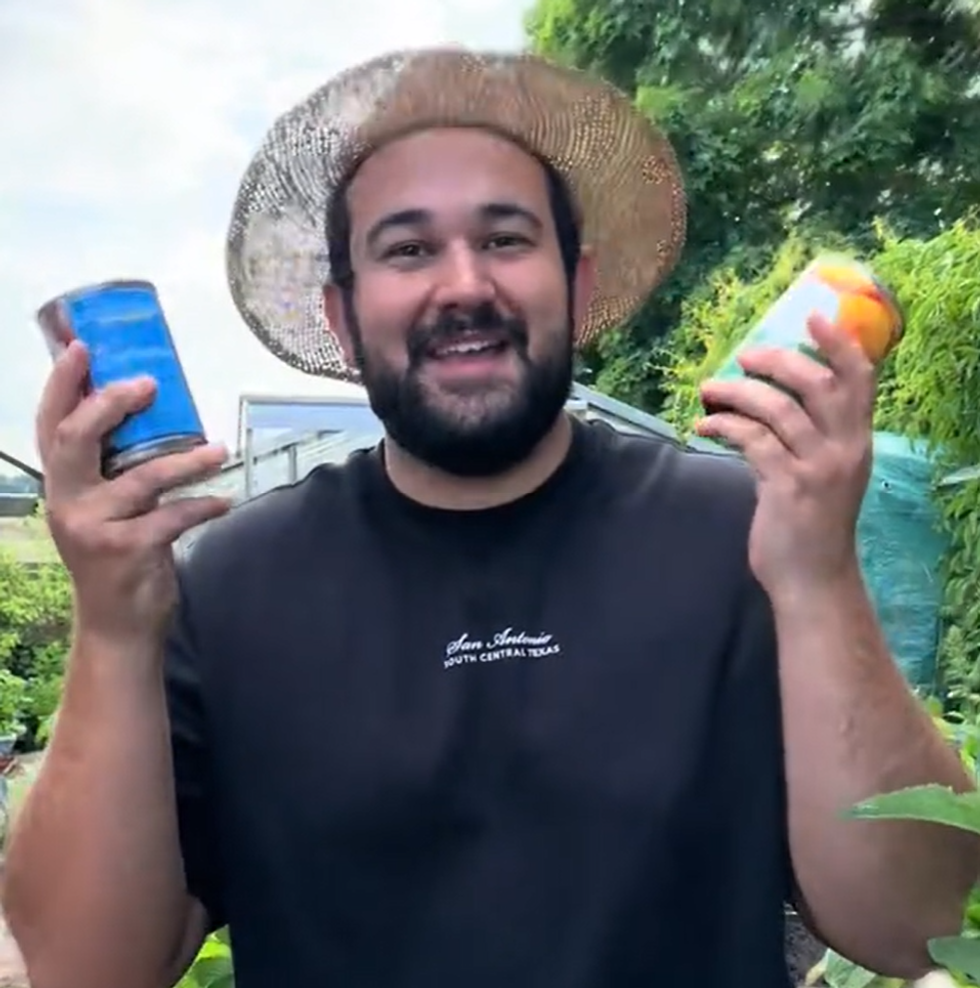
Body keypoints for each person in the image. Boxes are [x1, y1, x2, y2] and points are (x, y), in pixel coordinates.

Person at [4, 47, 977, 988]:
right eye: (409, 248)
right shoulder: (233, 583)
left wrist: (816, 579)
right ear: (342, 318)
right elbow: (88, 970)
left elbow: (913, 924)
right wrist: (113, 626)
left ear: (577, 286)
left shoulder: (744, 538)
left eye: (506, 239)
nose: (463, 283)